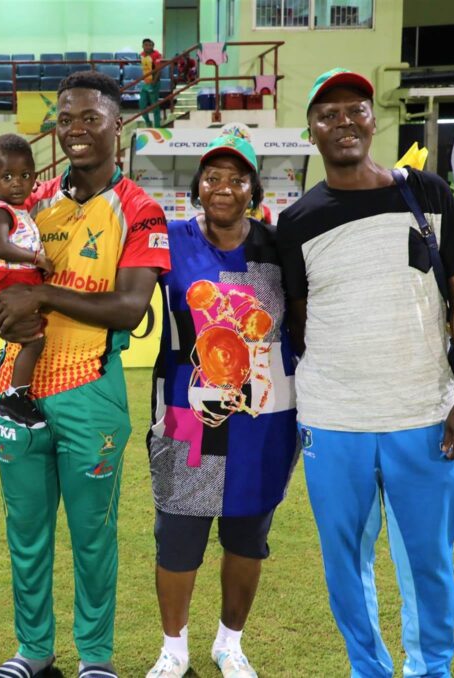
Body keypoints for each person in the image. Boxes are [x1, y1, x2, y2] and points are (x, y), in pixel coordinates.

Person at [276, 68, 454, 678]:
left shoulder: (426, 193)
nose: (343, 122)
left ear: (374, 120)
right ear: (311, 132)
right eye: (328, 114)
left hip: (422, 415)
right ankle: (367, 669)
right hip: (333, 421)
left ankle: (431, 670)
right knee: (346, 564)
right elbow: (301, 320)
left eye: (356, 109)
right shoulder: (297, 222)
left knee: (428, 561)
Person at [0, 70, 171, 678]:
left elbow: (130, 307)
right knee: (26, 531)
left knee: (93, 535)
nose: (76, 130)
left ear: (119, 124)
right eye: (65, 119)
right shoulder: (31, 201)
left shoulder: (140, 209)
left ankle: (95, 656)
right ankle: (33, 650)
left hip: (91, 389)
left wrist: (40, 293)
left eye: (91, 118)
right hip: (19, 388)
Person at [144, 134, 298, 678]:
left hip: (264, 420)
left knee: (247, 539)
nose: (223, 188)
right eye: (212, 177)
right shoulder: (171, 240)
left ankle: (229, 644)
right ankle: (174, 649)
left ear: (254, 189)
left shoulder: (279, 246)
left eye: (237, 178)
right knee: (177, 537)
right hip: (186, 417)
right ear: (197, 187)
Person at [0, 133, 54, 428]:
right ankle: (14, 398)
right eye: (7, 177)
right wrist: (38, 259)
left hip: (17, 282)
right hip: (6, 284)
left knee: (33, 338)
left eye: (24, 176)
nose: (16, 183)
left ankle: (13, 387)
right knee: (34, 343)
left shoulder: (22, 210)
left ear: (34, 177)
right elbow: (0, 246)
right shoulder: (0, 211)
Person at [140, 38, 163, 128]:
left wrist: (154, 82)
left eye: (150, 45)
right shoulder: (141, 55)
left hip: (154, 83)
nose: (148, 47)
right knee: (142, 106)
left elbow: (159, 70)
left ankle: (157, 126)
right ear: (142, 46)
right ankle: (148, 123)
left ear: (152, 46)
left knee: (155, 106)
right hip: (145, 83)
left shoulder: (156, 55)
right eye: (146, 45)